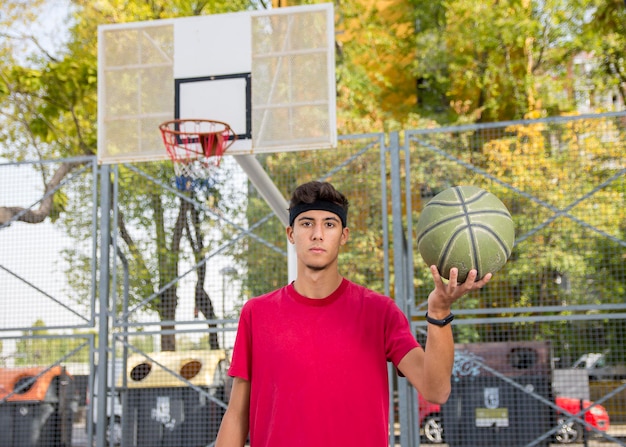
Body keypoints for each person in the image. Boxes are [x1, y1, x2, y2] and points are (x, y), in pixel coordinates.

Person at [215, 181, 492, 447]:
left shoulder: (379, 312)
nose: (317, 234)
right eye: (307, 223)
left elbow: (436, 390)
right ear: (291, 234)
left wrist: (440, 311)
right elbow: (237, 415)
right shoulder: (258, 314)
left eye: (330, 224)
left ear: (343, 235)